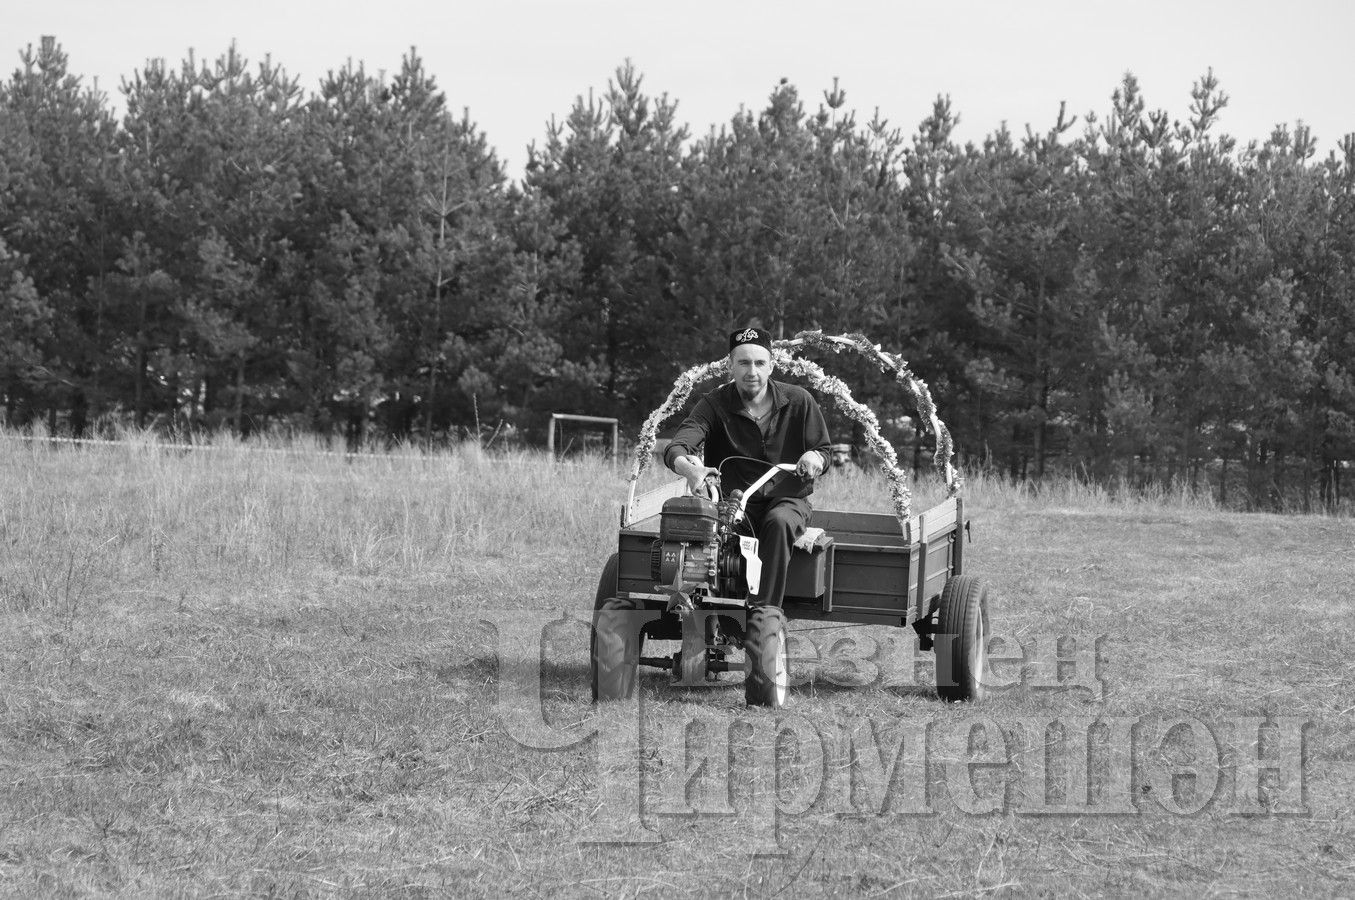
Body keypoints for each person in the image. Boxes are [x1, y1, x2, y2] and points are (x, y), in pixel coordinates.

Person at [663, 326, 832, 608]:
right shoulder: (714, 403)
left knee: (778, 522)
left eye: (759, 363)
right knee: (707, 531)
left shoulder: (799, 401)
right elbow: (678, 445)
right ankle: (702, 607)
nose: (751, 371)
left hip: (787, 499)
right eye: (743, 362)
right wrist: (691, 469)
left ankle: (763, 613)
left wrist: (815, 458)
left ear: (771, 366)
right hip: (733, 501)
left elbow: (824, 451)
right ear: (730, 366)